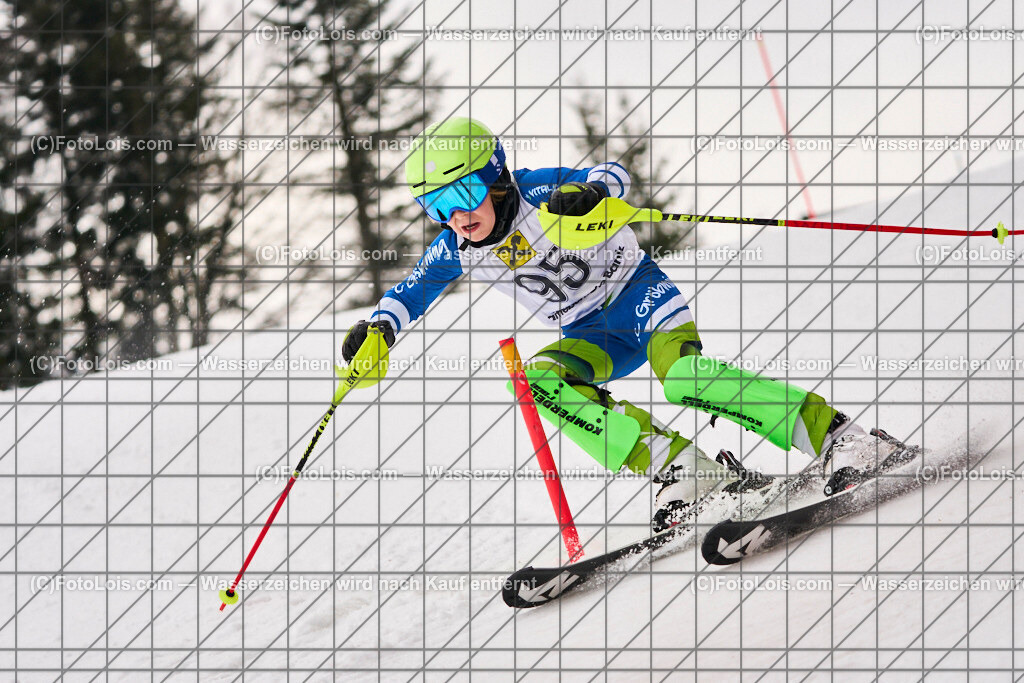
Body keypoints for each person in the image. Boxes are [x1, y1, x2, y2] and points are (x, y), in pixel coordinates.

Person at [342, 116, 894, 530]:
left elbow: (614, 174)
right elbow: (410, 292)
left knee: (685, 378)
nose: (456, 217)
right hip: (589, 335)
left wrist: (593, 193)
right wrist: (379, 328)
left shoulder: (539, 191)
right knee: (541, 381)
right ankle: (684, 471)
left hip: (639, 296)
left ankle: (843, 438)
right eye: (436, 205)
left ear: (494, 176)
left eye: (462, 193)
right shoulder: (455, 249)